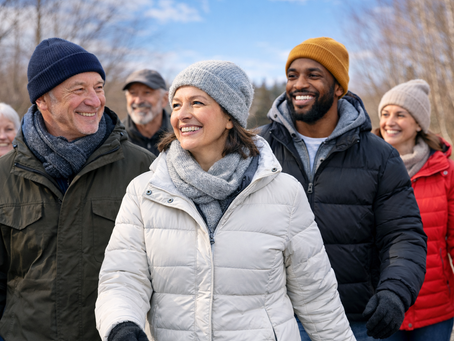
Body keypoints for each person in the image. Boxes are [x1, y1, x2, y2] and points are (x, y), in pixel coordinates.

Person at [95, 60, 356, 341]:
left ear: (230, 116)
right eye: (177, 104)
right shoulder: (146, 191)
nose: (182, 114)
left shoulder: (283, 192)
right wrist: (121, 324)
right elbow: (122, 276)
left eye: (196, 103)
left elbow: (316, 293)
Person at [258, 37, 427, 340]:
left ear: (339, 88)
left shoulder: (380, 156)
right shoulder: (257, 149)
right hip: (273, 319)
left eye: (313, 75)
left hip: (354, 321)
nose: (299, 84)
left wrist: (395, 292)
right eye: (292, 75)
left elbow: (403, 234)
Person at [0, 38, 155, 341]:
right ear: (42, 100)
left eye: (98, 88)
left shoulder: (141, 168)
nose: (95, 101)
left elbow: (160, 271)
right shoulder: (4, 175)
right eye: (78, 89)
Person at [375, 79, 454, 341]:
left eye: (401, 114)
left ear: (419, 123)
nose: (390, 121)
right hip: (382, 303)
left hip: (435, 305)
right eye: (385, 114)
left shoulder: (444, 171)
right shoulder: (365, 165)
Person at [122, 69, 170, 155]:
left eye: (147, 92)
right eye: (133, 93)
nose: (138, 101)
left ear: (164, 99)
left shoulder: (180, 133)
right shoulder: (116, 136)